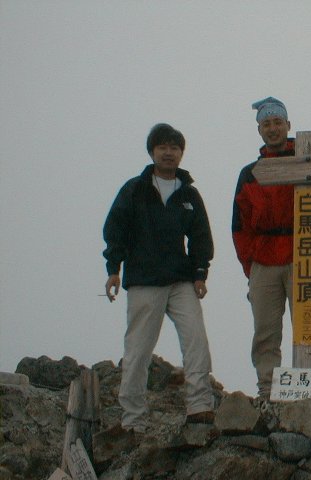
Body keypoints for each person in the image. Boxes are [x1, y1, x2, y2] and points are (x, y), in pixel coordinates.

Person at [103, 123, 215, 431]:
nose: (169, 152)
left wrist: (200, 272)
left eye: (174, 147)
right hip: (143, 279)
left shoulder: (189, 193)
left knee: (196, 340)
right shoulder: (134, 189)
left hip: (181, 280)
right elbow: (116, 229)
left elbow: (201, 236)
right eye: (162, 146)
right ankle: (133, 419)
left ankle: (200, 406)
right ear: (152, 151)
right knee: (138, 350)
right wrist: (114, 268)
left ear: (181, 153)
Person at [232, 97, 297, 400]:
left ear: (288, 125)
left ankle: (304, 386)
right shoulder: (250, 173)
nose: (273, 129)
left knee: (308, 325)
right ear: (259, 129)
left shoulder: (307, 161)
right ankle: (268, 390)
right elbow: (239, 224)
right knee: (266, 330)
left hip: (302, 254)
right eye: (266, 124)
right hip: (263, 258)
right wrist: (250, 266)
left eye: (277, 122)